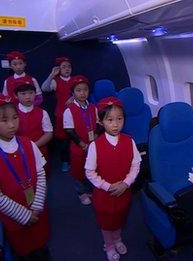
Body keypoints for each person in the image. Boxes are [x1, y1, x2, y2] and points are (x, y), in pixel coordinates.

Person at [0, 92, 50, 259]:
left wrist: (37, 205)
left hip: (37, 211)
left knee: (42, 247)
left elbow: (40, 174)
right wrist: (24, 215)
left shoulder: (28, 144)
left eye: (15, 117)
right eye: (4, 120)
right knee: (24, 252)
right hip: (15, 220)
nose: (12, 125)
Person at [85, 97, 142, 261]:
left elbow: (136, 165)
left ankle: (117, 239)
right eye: (110, 120)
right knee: (106, 222)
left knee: (120, 218)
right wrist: (107, 186)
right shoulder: (95, 145)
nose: (115, 124)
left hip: (124, 192)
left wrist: (126, 183)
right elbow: (90, 172)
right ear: (101, 122)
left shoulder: (129, 141)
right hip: (104, 195)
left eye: (119, 119)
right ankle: (108, 245)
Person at [63, 75, 97, 205]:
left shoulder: (93, 107)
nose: (82, 93)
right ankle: (81, 192)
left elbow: (99, 124)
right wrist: (82, 144)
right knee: (79, 171)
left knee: (92, 168)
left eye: (85, 90)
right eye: (78, 90)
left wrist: (96, 138)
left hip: (93, 145)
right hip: (78, 147)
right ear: (72, 92)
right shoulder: (69, 110)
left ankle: (91, 190)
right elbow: (69, 131)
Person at [41, 56, 75, 172]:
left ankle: (75, 160)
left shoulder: (76, 80)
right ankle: (65, 161)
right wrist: (52, 75)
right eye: (63, 67)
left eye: (69, 67)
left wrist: (73, 97)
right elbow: (44, 88)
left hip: (75, 114)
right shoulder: (56, 81)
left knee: (75, 138)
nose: (67, 69)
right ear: (59, 69)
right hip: (61, 115)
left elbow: (84, 91)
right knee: (63, 140)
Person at [15, 83, 54, 179]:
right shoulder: (12, 113)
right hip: (18, 151)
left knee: (41, 177)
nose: (28, 97)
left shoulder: (42, 112)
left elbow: (49, 133)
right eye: (23, 94)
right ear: (16, 96)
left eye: (31, 93)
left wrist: (34, 146)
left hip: (39, 149)